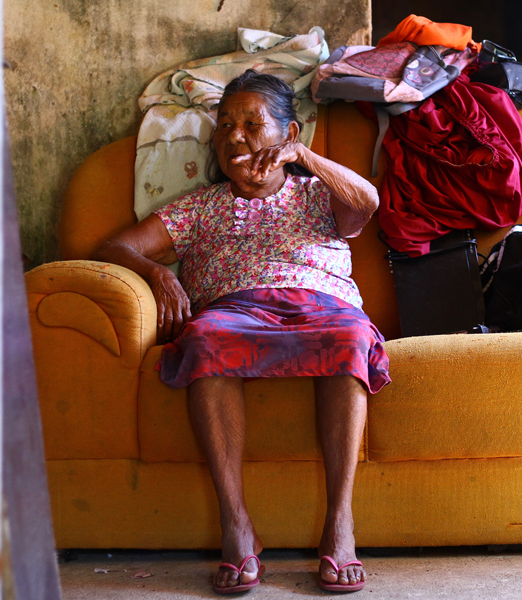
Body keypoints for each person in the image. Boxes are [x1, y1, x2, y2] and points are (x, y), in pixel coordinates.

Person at [92, 70, 390, 595]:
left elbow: (367, 202)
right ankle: (237, 526)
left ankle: (340, 523)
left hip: (323, 306)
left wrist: (306, 158)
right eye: (226, 125)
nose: (235, 136)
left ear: (288, 134)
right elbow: (114, 247)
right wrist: (159, 272)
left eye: (253, 124)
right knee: (204, 340)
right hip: (236, 311)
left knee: (349, 339)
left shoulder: (318, 195)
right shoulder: (200, 207)